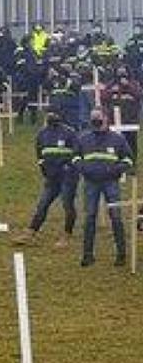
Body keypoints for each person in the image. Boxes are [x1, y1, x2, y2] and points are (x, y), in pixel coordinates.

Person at [74, 107, 131, 267]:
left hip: (110, 182)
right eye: (93, 118)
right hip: (91, 182)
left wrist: (114, 170)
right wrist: (84, 169)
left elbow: (128, 160)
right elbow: (75, 157)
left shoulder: (118, 139)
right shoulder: (83, 139)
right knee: (89, 217)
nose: (95, 121)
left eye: (98, 118)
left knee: (116, 217)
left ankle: (121, 255)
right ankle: (87, 255)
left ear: (106, 118)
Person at [15, 112, 80, 247]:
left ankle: (67, 234)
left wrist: (69, 167)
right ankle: (31, 231)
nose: (51, 116)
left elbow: (76, 153)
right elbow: (39, 154)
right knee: (43, 204)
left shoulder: (70, 132)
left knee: (67, 205)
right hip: (51, 177)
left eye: (54, 113)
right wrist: (43, 168)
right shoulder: (42, 134)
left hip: (67, 176)